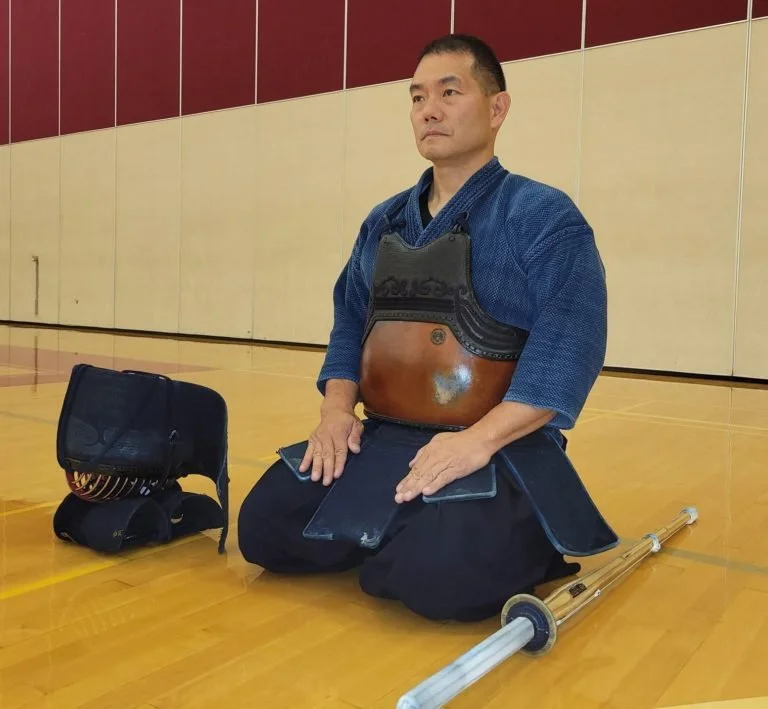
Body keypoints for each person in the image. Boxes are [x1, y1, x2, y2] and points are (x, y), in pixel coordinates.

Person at [238, 34, 616, 622]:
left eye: (448, 92)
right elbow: (349, 322)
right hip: (386, 437)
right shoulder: (384, 220)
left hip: (496, 446)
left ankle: (508, 527)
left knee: (438, 580)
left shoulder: (542, 216)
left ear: (497, 109)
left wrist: (477, 442)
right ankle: (409, 526)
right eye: (416, 98)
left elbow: (569, 347)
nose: (428, 110)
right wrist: (337, 413)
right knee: (266, 526)